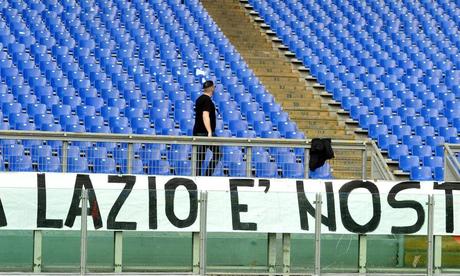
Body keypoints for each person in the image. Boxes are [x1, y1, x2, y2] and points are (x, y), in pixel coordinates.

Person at [193, 80, 221, 176]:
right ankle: (207, 176)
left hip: (198, 132)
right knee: (217, 154)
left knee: (200, 157)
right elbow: (205, 115)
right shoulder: (207, 100)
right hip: (205, 133)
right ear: (212, 88)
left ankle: (197, 177)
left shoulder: (199, 99)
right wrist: (209, 132)